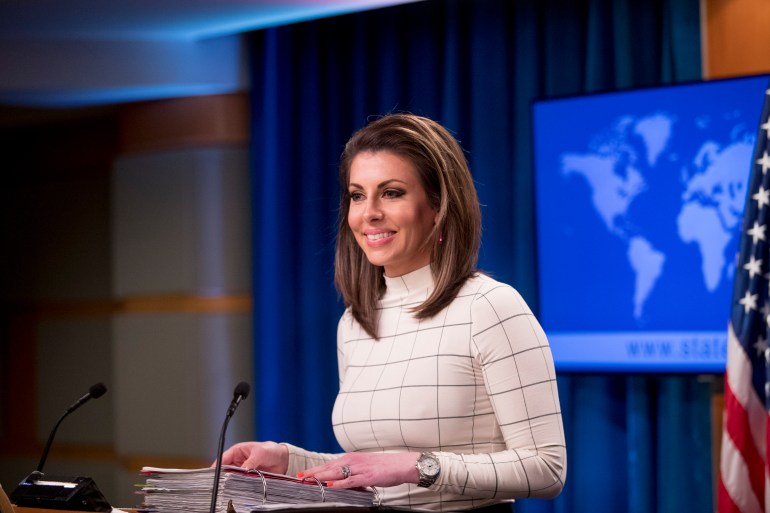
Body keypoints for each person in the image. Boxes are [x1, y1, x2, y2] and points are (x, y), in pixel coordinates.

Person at [221, 113, 567, 511]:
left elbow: (546, 468)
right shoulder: (354, 322)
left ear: (438, 206)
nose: (368, 213)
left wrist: (418, 466)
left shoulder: (490, 307)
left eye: (392, 193)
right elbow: (376, 470)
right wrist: (288, 460)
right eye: (356, 195)